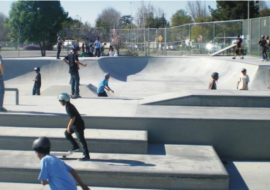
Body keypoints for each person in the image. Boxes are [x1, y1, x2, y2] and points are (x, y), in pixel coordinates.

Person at [58, 93, 90, 161]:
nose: (60, 102)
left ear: (64, 100)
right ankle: (75, 146)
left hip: (78, 125)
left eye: (60, 101)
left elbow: (73, 118)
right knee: (67, 134)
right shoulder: (68, 105)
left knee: (81, 140)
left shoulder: (68, 107)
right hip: (75, 125)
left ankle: (86, 156)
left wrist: (68, 127)